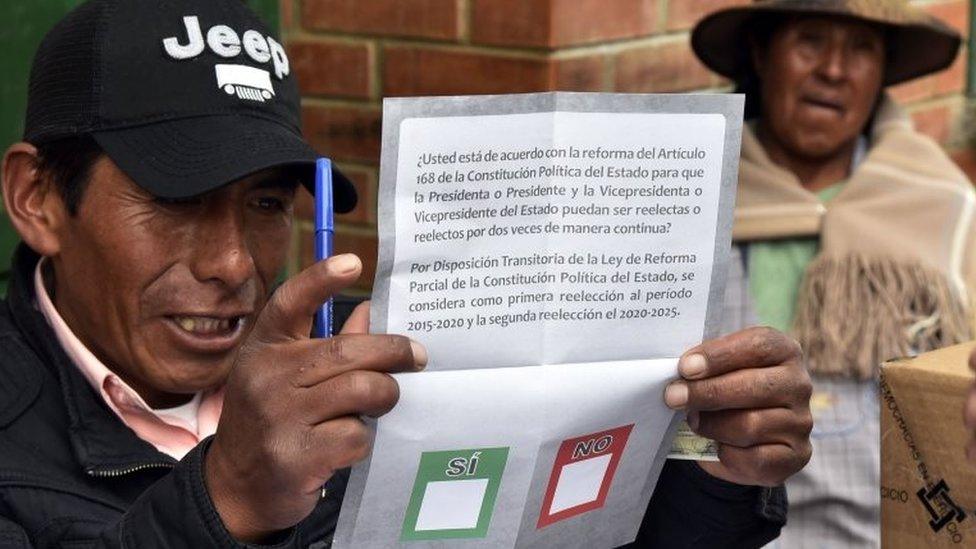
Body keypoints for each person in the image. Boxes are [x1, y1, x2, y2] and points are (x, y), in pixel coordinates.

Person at [0, 1, 813, 547]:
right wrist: (227, 499)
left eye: (267, 203)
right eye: (173, 199)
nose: (233, 263)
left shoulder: (373, 360)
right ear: (38, 197)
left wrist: (718, 472)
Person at [691, 1, 975, 547]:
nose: (835, 70)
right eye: (811, 40)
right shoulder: (693, 194)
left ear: (882, 72)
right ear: (761, 53)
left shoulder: (943, 207)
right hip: (716, 526)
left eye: (861, 49)